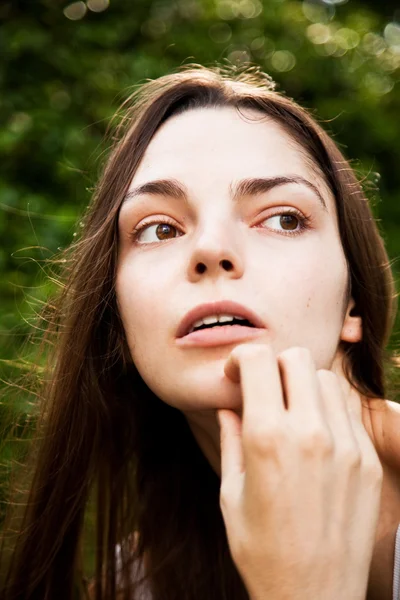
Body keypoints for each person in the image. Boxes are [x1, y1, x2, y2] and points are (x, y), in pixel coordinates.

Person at [1, 63, 400, 600]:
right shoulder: (135, 584)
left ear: (353, 300)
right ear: (117, 319)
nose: (211, 248)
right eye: (159, 228)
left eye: (283, 218)